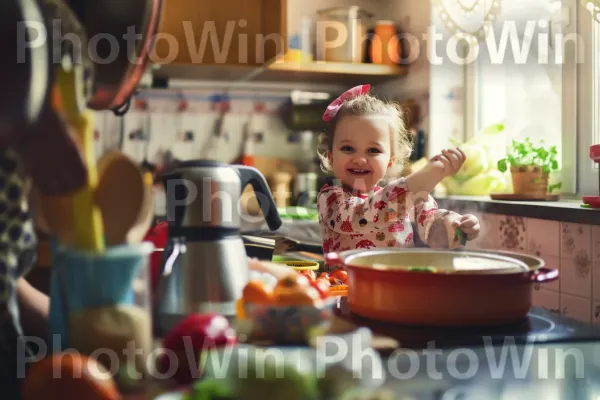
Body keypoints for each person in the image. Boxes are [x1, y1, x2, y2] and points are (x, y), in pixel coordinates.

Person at [316, 84, 480, 254]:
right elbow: (366, 214)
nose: (359, 159)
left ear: (389, 162)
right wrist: (430, 174)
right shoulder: (330, 200)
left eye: (373, 150)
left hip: (400, 280)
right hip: (346, 281)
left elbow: (433, 230)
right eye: (348, 148)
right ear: (331, 157)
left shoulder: (411, 198)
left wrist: (456, 224)